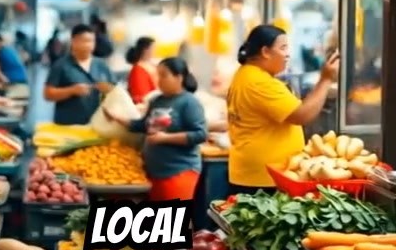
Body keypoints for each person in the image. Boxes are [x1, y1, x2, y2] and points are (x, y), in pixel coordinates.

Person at [227, 24, 340, 191]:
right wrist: (326, 79)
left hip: (254, 174)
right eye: (283, 48)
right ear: (265, 52)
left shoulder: (246, 74)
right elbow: (301, 115)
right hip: (264, 178)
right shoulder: (259, 82)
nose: (288, 54)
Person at [104, 57, 206, 202]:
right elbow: (143, 125)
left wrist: (165, 138)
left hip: (179, 171)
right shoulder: (157, 100)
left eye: (164, 75)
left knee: (175, 220)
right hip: (154, 172)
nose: (159, 80)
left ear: (179, 77)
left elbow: (200, 134)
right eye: (158, 75)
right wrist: (116, 117)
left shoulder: (189, 102)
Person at [44, 23, 115, 125]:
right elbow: (48, 94)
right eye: (85, 41)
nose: (89, 45)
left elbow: (114, 89)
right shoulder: (61, 65)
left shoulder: (101, 64)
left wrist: (107, 89)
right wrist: (71, 90)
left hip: (97, 124)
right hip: (68, 125)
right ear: (74, 41)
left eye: (92, 41)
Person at [126, 37, 158, 104]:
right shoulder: (137, 71)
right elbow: (140, 96)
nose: (155, 51)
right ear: (145, 50)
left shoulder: (153, 65)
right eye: (153, 48)